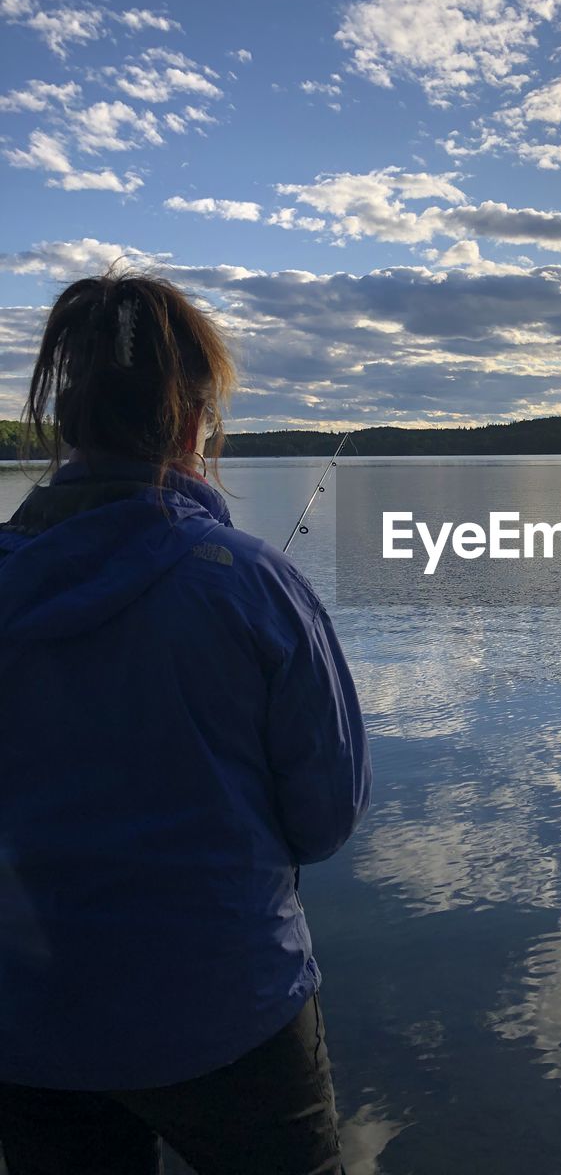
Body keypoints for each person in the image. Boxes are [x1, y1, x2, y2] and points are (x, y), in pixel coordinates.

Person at [0, 271, 372, 1175]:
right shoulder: (252, 583)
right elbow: (325, 821)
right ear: (197, 417)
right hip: (231, 1008)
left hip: (29, 1027)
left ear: (65, 416)